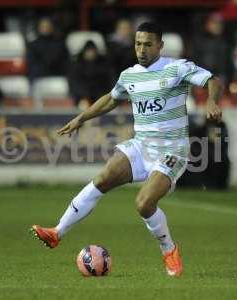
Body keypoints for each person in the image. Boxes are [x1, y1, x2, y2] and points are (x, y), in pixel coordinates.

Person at [30, 22, 223, 277]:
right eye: (138, 43)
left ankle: (169, 250)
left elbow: (213, 80)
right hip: (141, 146)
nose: (141, 49)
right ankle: (57, 232)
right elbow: (111, 99)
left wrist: (211, 99)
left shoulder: (176, 68)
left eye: (148, 44)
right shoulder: (129, 75)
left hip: (172, 151)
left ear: (160, 45)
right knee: (102, 179)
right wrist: (82, 118)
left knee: (143, 204)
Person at [69, 40, 114, 107]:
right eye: (89, 51)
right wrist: (84, 96)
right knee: (84, 106)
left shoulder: (103, 63)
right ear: (84, 52)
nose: (91, 53)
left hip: (101, 95)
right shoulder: (77, 64)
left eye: (93, 51)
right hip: (82, 97)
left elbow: (110, 80)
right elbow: (74, 83)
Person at [27, 17, 69, 81]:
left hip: (58, 76)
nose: (45, 28)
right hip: (39, 78)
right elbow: (32, 64)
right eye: (43, 26)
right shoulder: (33, 45)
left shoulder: (60, 44)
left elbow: (65, 63)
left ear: (52, 28)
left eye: (47, 26)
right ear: (38, 28)